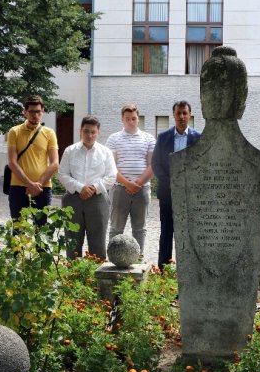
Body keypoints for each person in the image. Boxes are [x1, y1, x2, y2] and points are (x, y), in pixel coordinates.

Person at [58, 116, 117, 260]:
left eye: (93, 132)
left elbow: (112, 176)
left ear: (98, 132)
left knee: (98, 242)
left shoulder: (105, 152)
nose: (89, 135)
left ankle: (96, 278)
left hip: (98, 200)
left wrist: (94, 188)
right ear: (80, 131)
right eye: (86, 131)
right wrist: (80, 188)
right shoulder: (70, 151)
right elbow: (62, 174)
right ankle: (72, 277)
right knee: (72, 241)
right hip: (73, 200)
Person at [152, 100, 201, 270]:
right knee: (166, 232)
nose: (181, 116)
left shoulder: (199, 138)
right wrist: (171, 184)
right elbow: (156, 164)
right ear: (173, 115)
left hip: (190, 196)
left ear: (189, 115)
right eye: (178, 113)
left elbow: (201, 166)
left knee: (189, 234)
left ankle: (188, 270)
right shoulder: (163, 137)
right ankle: (164, 272)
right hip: (167, 194)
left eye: (184, 113)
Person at [106, 103, 156, 251]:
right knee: (116, 228)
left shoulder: (149, 139)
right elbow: (111, 167)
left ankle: (138, 260)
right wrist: (127, 184)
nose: (131, 121)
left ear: (138, 118)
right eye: (127, 118)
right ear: (122, 119)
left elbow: (152, 166)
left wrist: (138, 183)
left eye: (133, 118)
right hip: (120, 189)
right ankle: (113, 259)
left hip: (142, 189)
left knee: (140, 229)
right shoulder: (113, 139)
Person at [6, 95, 59, 224]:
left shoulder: (49, 133)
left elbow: (55, 163)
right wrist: (30, 184)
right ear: (24, 112)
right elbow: (12, 162)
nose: (35, 115)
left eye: (38, 112)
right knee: (18, 229)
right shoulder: (14, 132)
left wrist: (38, 184)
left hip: (43, 188)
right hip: (18, 187)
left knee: (41, 229)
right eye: (32, 111)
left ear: (43, 112)